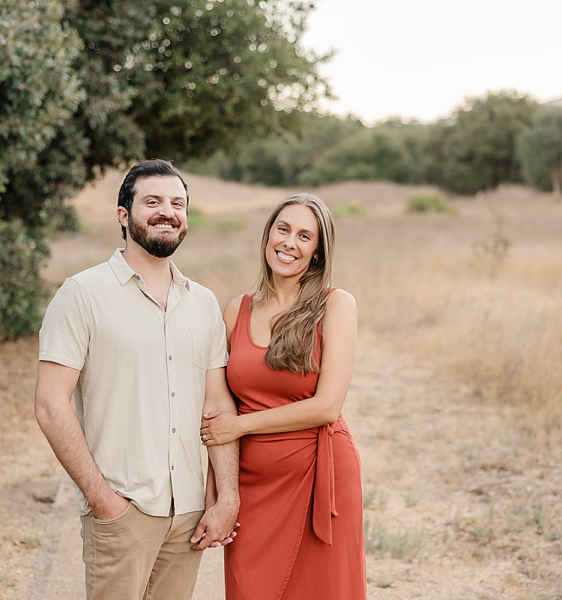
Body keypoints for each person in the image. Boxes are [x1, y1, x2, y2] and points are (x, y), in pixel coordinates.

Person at [34, 159, 240, 600]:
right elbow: (50, 406)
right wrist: (103, 500)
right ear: (123, 215)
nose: (168, 212)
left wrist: (227, 497)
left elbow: (218, 408)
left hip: (187, 513)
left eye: (178, 204)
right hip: (122, 509)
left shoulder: (203, 303)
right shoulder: (82, 294)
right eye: (153, 202)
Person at [201, 193, 366, 599]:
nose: (290, 243)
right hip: (252, 484)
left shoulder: (336, 306)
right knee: (249, 588)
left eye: (304, 236)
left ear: (317, 252)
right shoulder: (235, 310)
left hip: (319, 476)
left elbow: (327, 406)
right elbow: (217, 409)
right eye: (283, 229)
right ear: (268, 235)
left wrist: (240, 426)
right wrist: (215, 495)